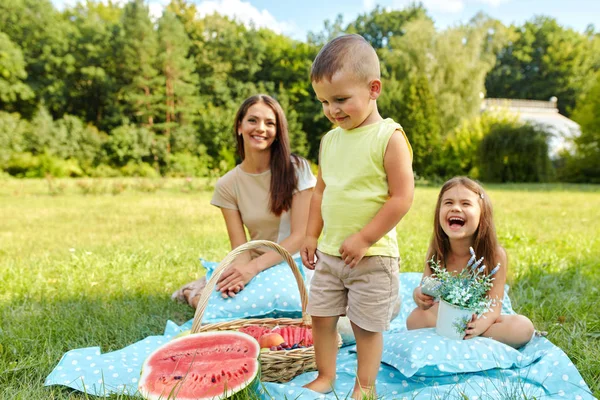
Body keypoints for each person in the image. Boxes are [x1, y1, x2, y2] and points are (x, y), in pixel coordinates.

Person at [301, 34, 414, 399]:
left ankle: (365, 387)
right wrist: (310, 236)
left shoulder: (388, 137)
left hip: (373, 257)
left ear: (373, 89)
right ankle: (325, 375)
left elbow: (402, 197)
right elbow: (321, 192)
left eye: (340, 99)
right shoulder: (330, 141)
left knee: (366, 327)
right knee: (320, 317)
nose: (332, 110)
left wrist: (365, 237)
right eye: (323, 102)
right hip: (331, 254)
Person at [172, 94, 316, 308]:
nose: (260, 128)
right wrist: (240, 276)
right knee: (228, 301)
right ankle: (193, 293)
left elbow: (299, 237)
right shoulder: (227, 184)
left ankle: (207, 282)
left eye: (270, 123)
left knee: (290, 304)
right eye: (252, 120)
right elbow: (240, 247)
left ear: (277, 133)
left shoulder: (297, 170)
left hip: (294, 262)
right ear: (239, 126)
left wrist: (253, 269)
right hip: (253, 262)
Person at [406, 176, 535, 349]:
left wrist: (479, 326)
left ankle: (465, 338)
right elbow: (426, 289)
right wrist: (419, 295)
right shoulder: (437, 251)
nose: (456, 208)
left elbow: (494, 305)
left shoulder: (495, 255)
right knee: (414, 320)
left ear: (482, 214)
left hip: (484, 319)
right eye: (448, 203)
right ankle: (465, 339)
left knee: (523, 328)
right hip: (447, 315)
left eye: (466, 204)